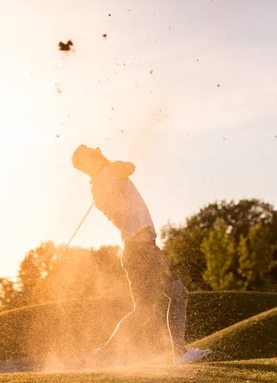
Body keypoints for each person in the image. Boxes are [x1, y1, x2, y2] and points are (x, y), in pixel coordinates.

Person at [71, 144, 212, 365]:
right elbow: (130, 167)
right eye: (92, 152)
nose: (99, 151)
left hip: (140, 250)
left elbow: (124, 172)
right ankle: (178, 355)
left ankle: (107, 354)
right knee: (171, 298)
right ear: (89, 162)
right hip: (141, 251)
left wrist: (110, 167)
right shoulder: (110, 173)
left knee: (153, 306)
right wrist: (113, 165)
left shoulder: (100, 186)